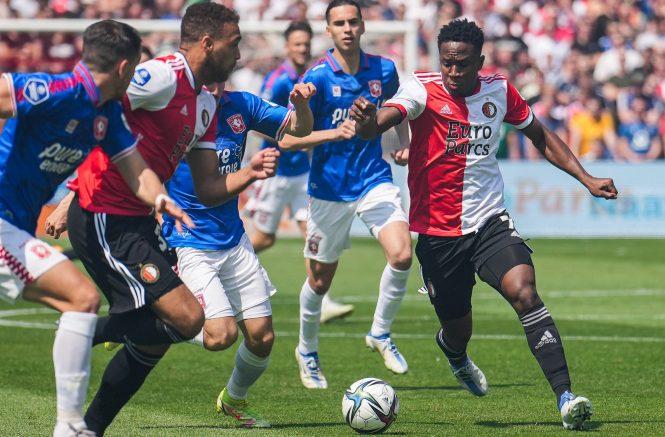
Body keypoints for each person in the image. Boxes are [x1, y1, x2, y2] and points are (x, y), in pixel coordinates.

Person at [0, 20, 189, 437]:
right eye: (137, 65)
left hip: (6, 234)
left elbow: (136, 170)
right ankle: (70, 427)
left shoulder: (107, 117)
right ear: (124, 67)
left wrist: (159, 198)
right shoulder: (54, 90)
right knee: (81, 298)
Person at [351, 18, 618, 431]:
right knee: (458, 329)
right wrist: (368, 119)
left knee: (525, 292)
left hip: (490, 221)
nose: (453, 72)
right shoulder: (421, 88)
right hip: (439, 236)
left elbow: (540, 136)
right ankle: (455, 354)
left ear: (480, 60)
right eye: (447, 64)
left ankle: (566, 397)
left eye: (462, 64)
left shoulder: (499, 90)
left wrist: (586, 178)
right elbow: (383, 120)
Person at [44, 3, 262, 434]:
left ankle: (90, 428)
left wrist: (249, 174)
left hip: (139, 220)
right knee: (187, 320)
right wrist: (71, 196)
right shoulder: (164, 75)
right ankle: (82, 328)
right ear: (207, 43)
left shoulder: (205, 106)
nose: (239, 56)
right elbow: (101, 106)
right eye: (234, 44)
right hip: (105, 213)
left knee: (154, 339)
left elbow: (206, 187)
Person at [279, 0, 414, 388]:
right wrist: (331, 132)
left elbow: (398, 108)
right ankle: (306, 350)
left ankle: (380, 333)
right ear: (329, 30)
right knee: (320, 282)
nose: (347, 28)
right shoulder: (317, 78)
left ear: (362, 25)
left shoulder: (383, 69)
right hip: (329, 189)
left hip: (374, 178)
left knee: (403, 254)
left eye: (353, 21)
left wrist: (402, 142)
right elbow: (289, 137)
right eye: (339, 23)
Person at [164, 80, 315, 428]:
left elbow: (298, 128)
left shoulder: (243, 105)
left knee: (262, 337)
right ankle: (150, 321)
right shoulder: (175, 109)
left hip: (233, 239)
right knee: (221, 335)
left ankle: (234, 399)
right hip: (189, 241)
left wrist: (301, 105)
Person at [246, 20, 355, 324]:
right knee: (264, 239)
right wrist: (294, 138)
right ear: (287, 47)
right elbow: (263, 121)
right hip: (277, 172)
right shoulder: (279, 81)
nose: (302, 48)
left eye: (306, 44)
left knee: (312, 235)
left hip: (303, 174)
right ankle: (223, 266)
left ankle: (322, 301)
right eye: (297, 44)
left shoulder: (310, 78)